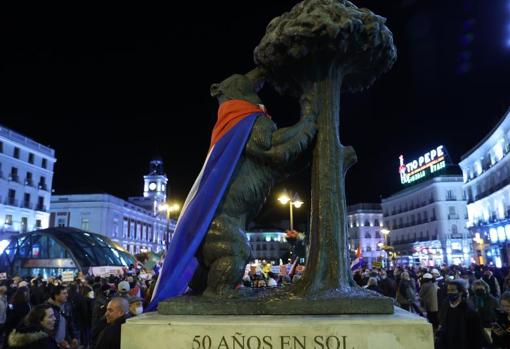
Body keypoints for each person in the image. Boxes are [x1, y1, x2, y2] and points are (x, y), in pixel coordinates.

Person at [436, 279, 483, 349]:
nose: (449, 292)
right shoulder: (445, 306)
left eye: (452, 290)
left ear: (460, 292)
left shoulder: (469, 310)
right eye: (448, 290)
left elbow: (476, 336)